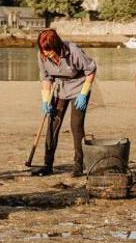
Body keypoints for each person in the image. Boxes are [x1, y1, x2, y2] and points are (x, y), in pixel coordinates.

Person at [32, 29, 97, 177]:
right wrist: (45, 99)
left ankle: (79, 165)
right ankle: (47, 165)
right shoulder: (42, 55)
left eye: (49, 51)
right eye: (44, 51)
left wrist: (83, 93)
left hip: (79, 86)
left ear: (57, 45)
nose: (47, 54)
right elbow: (46, 78)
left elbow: (91, 70)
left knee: (76, 125)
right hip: (59, 88)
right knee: (53, 123)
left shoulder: (74, 51)